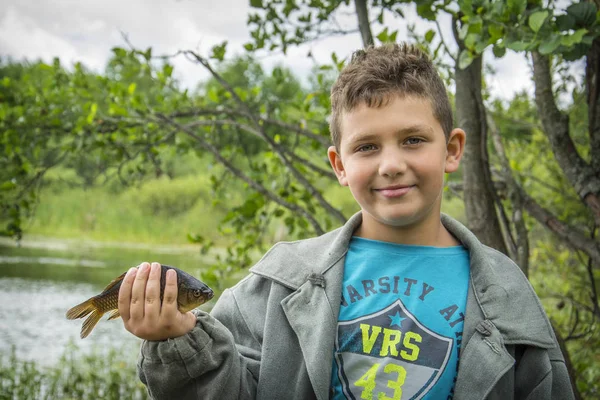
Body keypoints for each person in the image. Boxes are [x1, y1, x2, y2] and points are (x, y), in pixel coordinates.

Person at [117, 43, 575, 400]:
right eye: (367, 147)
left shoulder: (507, 292)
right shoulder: (280, 282)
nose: (391, 164)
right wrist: (178, 342)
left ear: (452, 149)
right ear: (339, 164)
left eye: (413, 140)